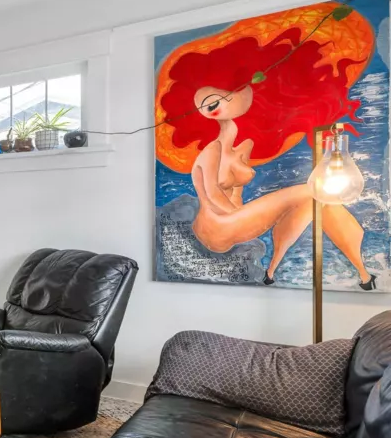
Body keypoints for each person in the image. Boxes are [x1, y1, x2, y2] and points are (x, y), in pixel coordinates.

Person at [161, 27, 375, 288]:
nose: (209, 108)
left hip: (237, 223)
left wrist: (253, 215)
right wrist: (251, 214)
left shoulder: (243, 146)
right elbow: (212, 198)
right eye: (204, 106)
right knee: (311, 192)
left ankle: (275, 272)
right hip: (218, 228)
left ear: (245, 91)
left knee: (313, 202)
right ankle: (361, 271)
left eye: (215, 99)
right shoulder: (212, 150)